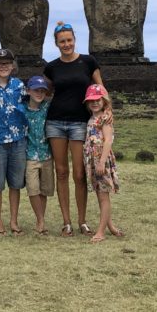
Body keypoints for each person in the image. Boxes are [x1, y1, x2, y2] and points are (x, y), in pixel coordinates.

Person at [43, 21, 104, 237]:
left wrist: (107, 112)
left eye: (69, 40)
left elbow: (100, 88)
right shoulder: (51, 67)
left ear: (75, 40)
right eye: (62, 41)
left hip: (79, 122)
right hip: (55, 122)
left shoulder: (88, 62)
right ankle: (66, 222)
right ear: (56, 44)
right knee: (61, 172)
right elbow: (44, 93)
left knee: (79, 174)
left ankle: (82, 221)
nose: (66, 44)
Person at [0, 47, 28, 235]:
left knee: (16, 184)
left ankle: (13, 221)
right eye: (0, 64)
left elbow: (30, 106)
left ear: (12, 65)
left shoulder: (19, 85)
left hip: (18, 139)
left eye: (7, 63)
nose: (3, 66)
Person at [83, 83, 123, 243]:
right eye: (91, 100)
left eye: (98, 100)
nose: (94, 103)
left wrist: (101, 162)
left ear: (104, 101)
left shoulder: (105, 118)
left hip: (101, 161)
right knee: (100, 195)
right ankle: (110, 226)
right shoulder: (92, 118)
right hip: (92, 161)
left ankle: (101, 232)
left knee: (103, 196)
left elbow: (107, 141)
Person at [23, 75, 55, 235]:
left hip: (46, 154)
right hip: (30, 156)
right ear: (28, 91)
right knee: (33, 189)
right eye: (36, 90)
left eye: (42, 91)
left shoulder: (48, 107)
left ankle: (40, 221)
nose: (39, 93)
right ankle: (41, 219)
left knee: (44, 190)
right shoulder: (21, 109)